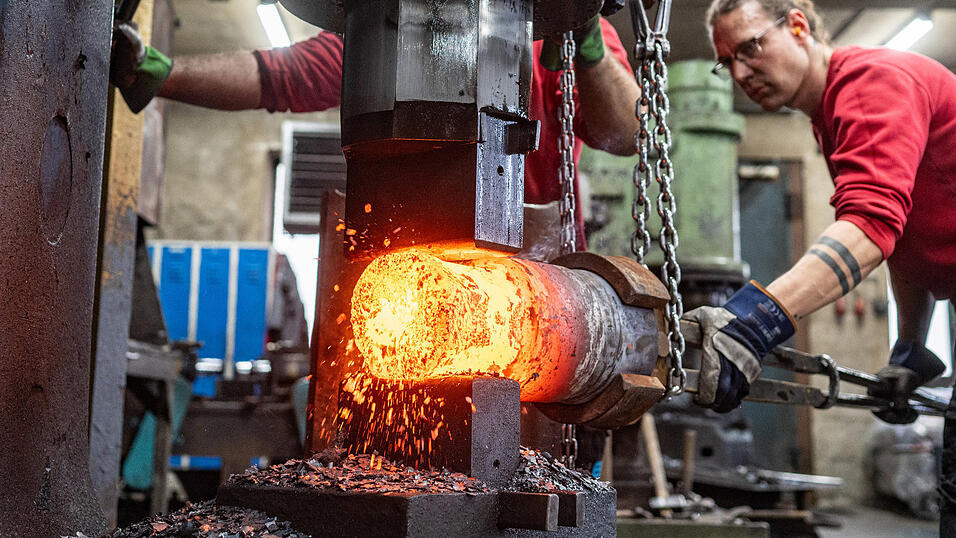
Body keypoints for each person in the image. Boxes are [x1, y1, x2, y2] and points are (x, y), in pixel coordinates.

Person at [684, 0, 956, 533]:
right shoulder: (829, 118)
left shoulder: (871, 81)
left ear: (798, 25)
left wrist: (756, 322)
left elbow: (870, 230)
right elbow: (901, 240)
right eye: (727, 62)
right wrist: (910, 346)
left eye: (750, 48)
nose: (739, 73)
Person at [111, 14, 642, 250]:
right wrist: (164, 74)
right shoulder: (397, 35)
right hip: (415, 258)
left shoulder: (560, 48)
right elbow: (278, 76)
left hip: (539, 267)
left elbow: (625, 133)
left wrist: (585, 36)